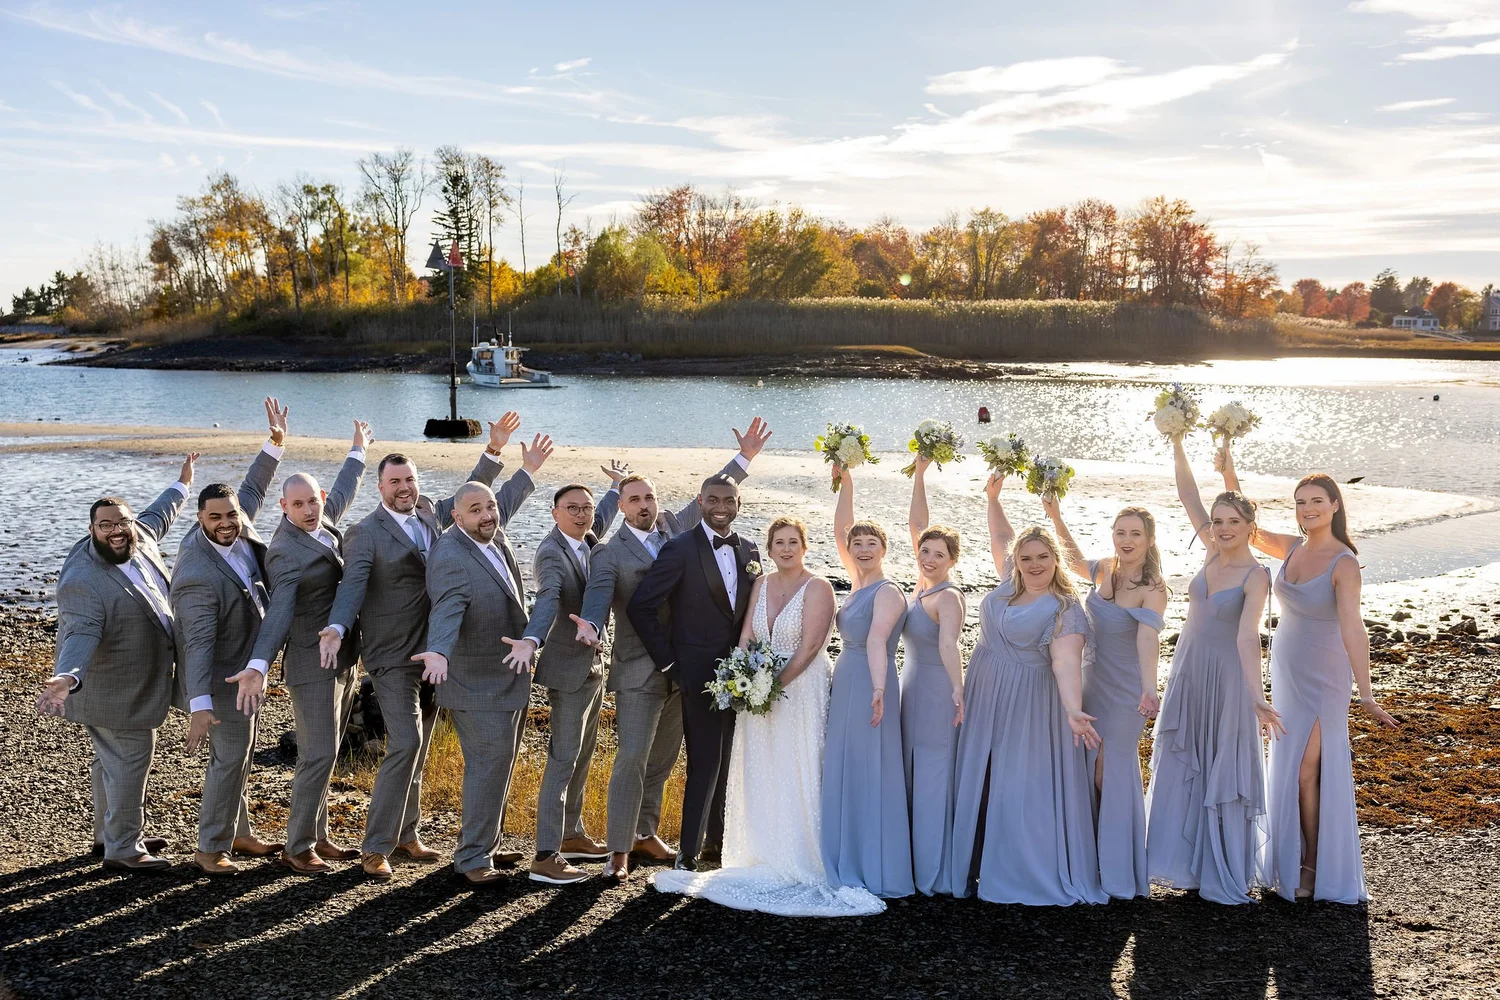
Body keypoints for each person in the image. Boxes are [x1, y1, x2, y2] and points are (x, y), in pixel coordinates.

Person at [317, 413, 535, 880]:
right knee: (407, 742)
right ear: (380, 487)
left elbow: (475, 499)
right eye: (395, 481)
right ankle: (374, 846)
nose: (405, 488)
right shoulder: (365, 533)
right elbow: (353, 585)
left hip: (442, 653)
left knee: (424, 742)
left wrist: (496, 454)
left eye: (410, 480)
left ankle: (407, 833)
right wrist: (337, 625)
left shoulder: (433, 515)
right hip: (394, 655)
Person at [651, 517, 884, 916]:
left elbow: (811, 647)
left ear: (805, 546)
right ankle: (760, 850)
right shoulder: (760, 584)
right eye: (779, 543)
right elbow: (747, 637)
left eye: (794, 541)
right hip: (757, 692)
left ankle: (802, 852)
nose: (787, 549)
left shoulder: (819, 587)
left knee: (798, 766)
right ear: (770, 549)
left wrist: (772, 685)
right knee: (761, 766)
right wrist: (741, 678)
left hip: (800, 691)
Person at [572, 418, 771, 882]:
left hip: (690, 669)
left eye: (649, 498)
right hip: (643, 668)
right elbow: (602, 595)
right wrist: (593, 624)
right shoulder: (609, 551)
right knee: (632, 758)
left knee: (663, 760)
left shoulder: (672, 532)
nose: (643, 505)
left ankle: (646, 832)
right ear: (620, 505)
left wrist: (744, 460)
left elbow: (717, 500)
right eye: (634, 498)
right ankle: (618, 851)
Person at [1220, 442, 1399, 903]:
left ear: (1335, 505)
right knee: (1288, 766)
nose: (1307, 509)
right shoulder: (1291, 547)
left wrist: (1366, 694)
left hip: (1325, 676)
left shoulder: (1345, 562)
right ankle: (1290, 857)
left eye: (1317, 501)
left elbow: (1354, 628)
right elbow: (1245, 524)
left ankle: (1315, 863)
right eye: (1300, 503)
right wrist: (1228, 469)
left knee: (1305, 770)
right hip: (1286, 668)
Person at [37, 451, 199, 872]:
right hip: (112, 689)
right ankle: (124, 848)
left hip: (134, 681)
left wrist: (182, 483)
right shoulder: (83, 579)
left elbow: (158, 514)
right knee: (130, 758)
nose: (115, 531)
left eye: (120, 523)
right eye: (105, 525)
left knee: (108, 761)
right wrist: (67, 676)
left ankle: (107, 835)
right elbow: (80, 631)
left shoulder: (137, 536)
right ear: (91, 529)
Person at [947, 473, 1104, 905]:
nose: (1034, 565)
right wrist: (992, 498)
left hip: (1029, 702)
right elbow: (1002, 536)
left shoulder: (1064, 609)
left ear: (1055, 559)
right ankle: (975, 863)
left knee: (1018, 782)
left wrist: (1073, 709)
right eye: (1026, 558)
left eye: (1042, 558)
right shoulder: (1008, 584)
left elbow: (1066, 662)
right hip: (986, 690)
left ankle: (1017, 868)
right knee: (985, 773)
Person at [1145, 435, 1283, 905]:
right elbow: (1187, 494)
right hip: (1188, 667)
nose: (1222, 528)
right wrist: (1178, 441)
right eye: (1217, 522)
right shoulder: (1210, 555)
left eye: (1232, 522)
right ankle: (1187, 864)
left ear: (1250, 527)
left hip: (1227, 677)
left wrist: (1257, 695)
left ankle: (1221, 865)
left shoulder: (1256, 575)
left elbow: (1249, 636)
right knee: (1186, 762)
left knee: (1220, 764)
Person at [240, 420, 371, 875]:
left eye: (312, 500)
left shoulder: (323, 525)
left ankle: (320, 834)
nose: (311, 508)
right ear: (283, 507)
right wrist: (260, 664)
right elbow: (278, 613)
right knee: (316, 753)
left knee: (330, 749)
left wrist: (358, 451)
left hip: (344, 657)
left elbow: (341, 494)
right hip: (310, 663)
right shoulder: (284, 552)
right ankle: (298, 847)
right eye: (299, 503)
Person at [411, 463, 549, 886]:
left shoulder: (493, 534)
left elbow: (503, 503)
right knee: (487, 766)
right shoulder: (450, 555)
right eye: (476, 509)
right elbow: (447, 607)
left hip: (507, 673)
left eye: (490, 506)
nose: (487, 514)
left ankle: (486, 842)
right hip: (474, 680)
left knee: (501, 764)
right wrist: (438, 651)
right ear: (457, 516)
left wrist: (527, 470)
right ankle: (471, 858)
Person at [170, 398, 290, 875]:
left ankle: (238, 831)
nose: (226, 524)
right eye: (215, 518)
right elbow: (196, 644)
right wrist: (199, 705)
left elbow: (252, 491)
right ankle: (210, 847)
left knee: (237, 758)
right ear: (200, 520)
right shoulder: (199, 574)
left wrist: (274, 445)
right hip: (220, 679)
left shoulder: (236, 530)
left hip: (247, 670)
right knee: (230, 760)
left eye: (230, 516)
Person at [627, 472, 761, 873]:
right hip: (696, 672)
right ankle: (688, 851)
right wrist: (670, 664)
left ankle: (718, 845)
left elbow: (752, 610)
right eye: (714, 500)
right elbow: (641, 607)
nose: (722, 507)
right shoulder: (680, 548)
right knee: (703, 760)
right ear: (700, 502)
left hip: (744, 675)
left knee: (729, 758)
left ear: (739, 503)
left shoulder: (751, 548)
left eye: (730, 500)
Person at [502, 470, 627, 885]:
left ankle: (572, 835)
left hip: (594, 667)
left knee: (584, 754)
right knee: (562, 759)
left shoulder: (588, 539)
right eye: (571, 508)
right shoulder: (551, 554)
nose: (581, 514)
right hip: (568, 669)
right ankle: (546, 853)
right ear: (554, 513)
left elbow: (606, 514)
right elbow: (549, 598)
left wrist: (613, 488)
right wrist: (532, 639)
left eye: (586, 508)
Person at [1045, 496, 1167, 900]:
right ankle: (1088, 858)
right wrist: (1057, 515)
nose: (1126, 540)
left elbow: (1149, 640)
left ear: (1149, 540)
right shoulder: (1104, 569)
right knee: (1087, 762)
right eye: (1120, 532)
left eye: (1135, 533)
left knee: (1108, 769)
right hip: (1091, 680)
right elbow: (1073, 559)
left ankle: (1119, 866)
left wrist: (1150, 687)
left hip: (1128, 687)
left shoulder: (1153, 587)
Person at [820, 464, 913, 899]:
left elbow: (878, 642)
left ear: (884, 549)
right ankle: (844, 852)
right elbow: (841, 528)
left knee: (868, 767)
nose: (860, 547)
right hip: (848, 679)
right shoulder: (857, 584)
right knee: (845, 764)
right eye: (856, 543)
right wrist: (846, 483)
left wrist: (878, 691)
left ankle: (871, 862)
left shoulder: (889, 591)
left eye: (870, 543)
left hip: (871, 682)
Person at [901, 455, 965, 896]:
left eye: (937, 554)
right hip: (912, 686)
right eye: (924, 551)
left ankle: (935, 868)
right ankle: (912, 859)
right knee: (914, 770)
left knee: (934, 774)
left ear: (951, 560)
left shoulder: (948, 596)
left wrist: (959, 690)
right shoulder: (922, 584)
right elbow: (917, 524)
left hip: (938, 689)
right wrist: (919, 475)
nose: (927, 558)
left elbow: (950, 646)